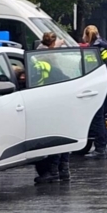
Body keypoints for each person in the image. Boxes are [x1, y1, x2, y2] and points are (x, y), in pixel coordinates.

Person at [34, 32, 71, 183]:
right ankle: (63, 170)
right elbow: (65, 78)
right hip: (57, 102)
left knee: (54, 137)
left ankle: (53, 171)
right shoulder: (51, 61)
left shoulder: (37, 58)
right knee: (60, 135)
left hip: (45, 103)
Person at [83, 25, 107, 159]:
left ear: (86, 35)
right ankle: (101, 147)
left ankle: (100, 148)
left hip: (99, 87)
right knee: (100, 117)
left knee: (98, 118)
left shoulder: (95, 49)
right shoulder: (106, 47)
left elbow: (93, 69)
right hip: (106, 86)